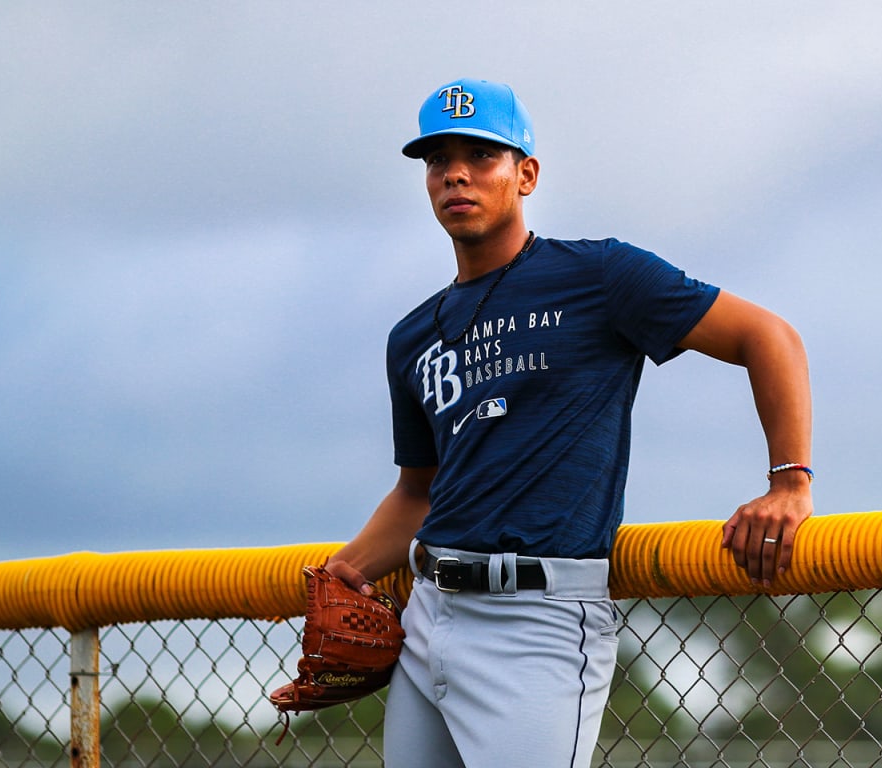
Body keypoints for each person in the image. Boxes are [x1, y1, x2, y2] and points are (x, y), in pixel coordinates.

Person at [324, 77, 813, 768]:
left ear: (525, 174)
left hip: (538, 620)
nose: (455, 172)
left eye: (481, 155)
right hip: (429, 611)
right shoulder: (412, 337)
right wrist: (344, 570)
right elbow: (418, 493)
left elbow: (769, 336)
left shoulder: (602, 276)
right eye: (438, 160)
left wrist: (789, 482)